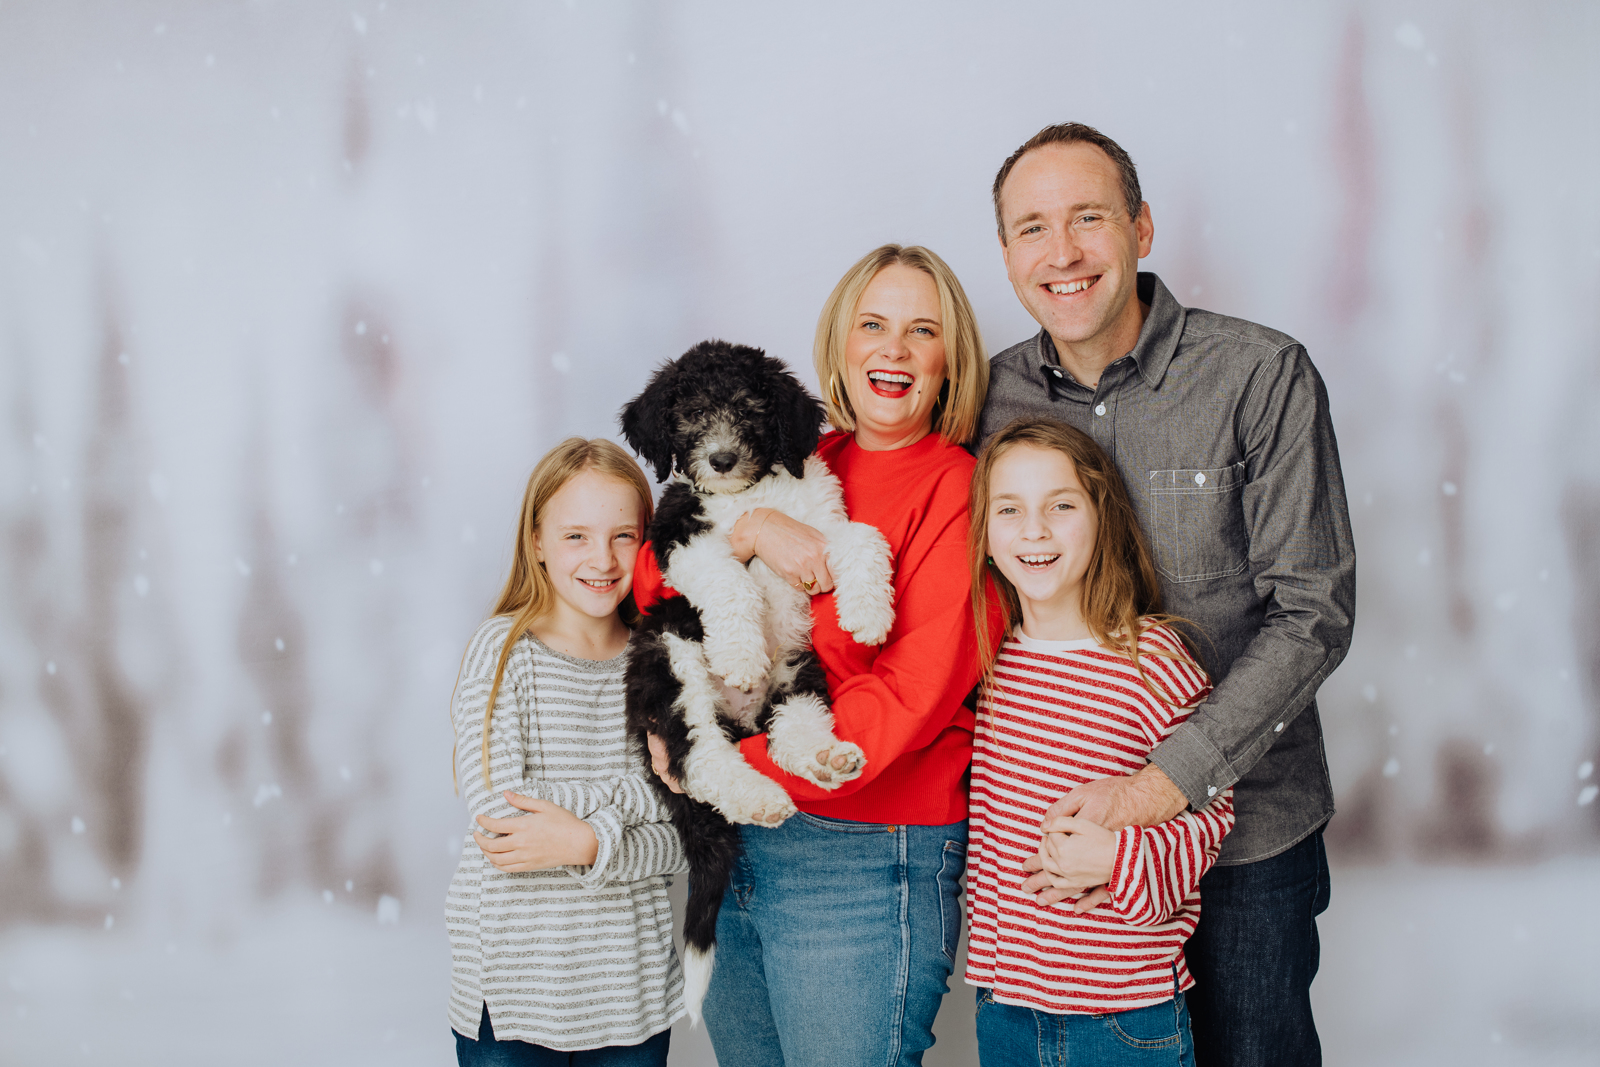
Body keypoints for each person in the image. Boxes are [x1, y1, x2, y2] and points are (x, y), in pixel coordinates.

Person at [976, 122, 1356, 1067]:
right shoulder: (989, 400)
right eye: (1031, 228)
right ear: (1006, 254)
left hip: (1246, 837)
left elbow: (1314, 611)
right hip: (1064, 873)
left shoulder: (1259, 375)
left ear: (1142, 229)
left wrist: (1162, 785)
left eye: (1088, 218)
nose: (1060, 253)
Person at [633, 244, 991, 1066]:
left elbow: (913, 693)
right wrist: (756, 529)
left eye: (921, 330)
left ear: (949, 362)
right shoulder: (794, 453)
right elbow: (657, 578)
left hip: (863, 852)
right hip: (744, 834)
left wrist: (728, 758)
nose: (892, 348)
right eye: (873, 323)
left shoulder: (959, 485)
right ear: (840, 343)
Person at [964, 416, 1233, 1067]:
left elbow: (1215, 814)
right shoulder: (990, 661)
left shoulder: (1153, 659)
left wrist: (1119, 858)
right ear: (986, 535)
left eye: (1060, 505)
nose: (1035, 529)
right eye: (1010, 509)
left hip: (1124, 1014)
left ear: (1100, 514)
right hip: (1007, 1008)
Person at [446, 437, 688, 1067]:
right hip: (514, 1001)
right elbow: (500, 814)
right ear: (537, 544)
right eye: (576, 535)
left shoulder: (662, 660)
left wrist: (585, 841)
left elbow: (685, 835)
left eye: (623, 536)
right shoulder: (502, 651)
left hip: (630, 1001)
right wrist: (637, 802)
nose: (602, 559)